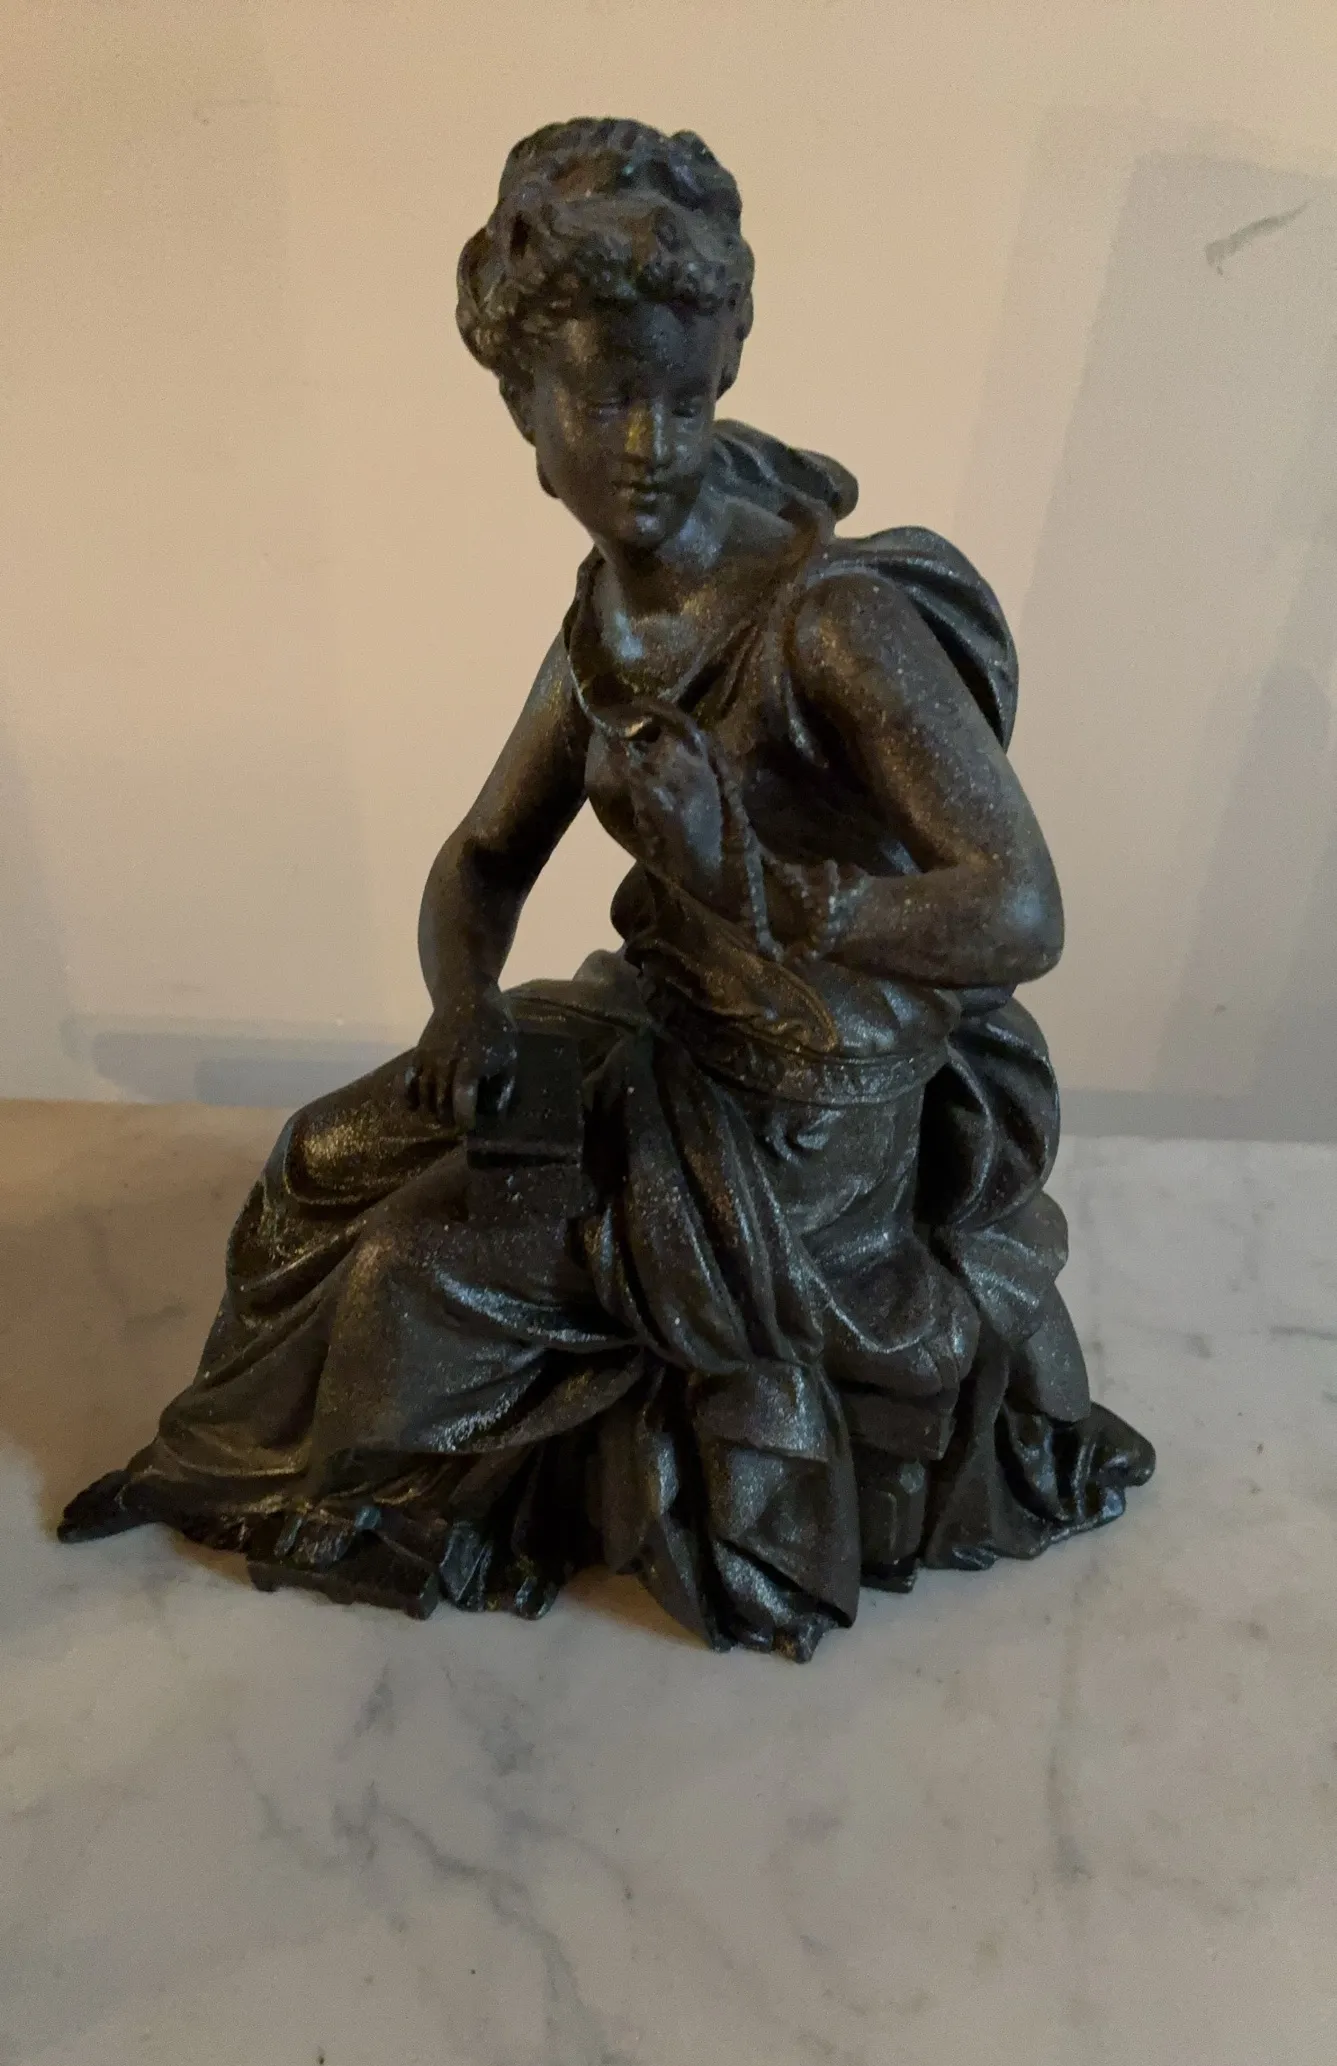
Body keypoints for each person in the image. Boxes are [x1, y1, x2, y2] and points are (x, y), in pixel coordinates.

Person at [60, 116, 1153, 1660]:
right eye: (609, 399)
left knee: (415, 1268)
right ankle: (238, 1467)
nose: (652, 445)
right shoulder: (609, 622)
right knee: (321, 1159)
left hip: (809, 1113)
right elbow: (484, 858)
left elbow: (1022, 911)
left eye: (686, 399)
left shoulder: (830, 626)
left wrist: (760, 889)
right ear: (524, 400)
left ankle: (377, 1508)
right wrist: (464, 1005)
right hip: (667, 1027)